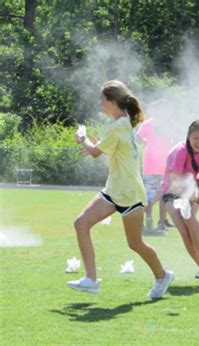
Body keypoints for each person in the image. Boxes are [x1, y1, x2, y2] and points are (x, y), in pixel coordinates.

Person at [67, 80, 173, 299]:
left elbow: (96, 152)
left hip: (130, 194)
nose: (100, 103)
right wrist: (94, 146)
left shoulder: (119, 126)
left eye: (102, 99)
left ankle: (162, 276)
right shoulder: (123, 124)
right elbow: (107, 150)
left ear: (113, 101)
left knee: (135, 243)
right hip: (115, 190)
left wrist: (83, 139)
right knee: (81, 224)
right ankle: (91, 280)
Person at [161, 120, 199, 288]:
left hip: (193, 189)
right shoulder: (179, 151)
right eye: (195, 138)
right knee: (185, 232)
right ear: (188, 137)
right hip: (172, 191)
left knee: (189, 218)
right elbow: (175, 183)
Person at [136, 100, 175, 234]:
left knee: (150, 194)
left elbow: (137, 138)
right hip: (165, 165)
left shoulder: (148, 123)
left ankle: (148, 217)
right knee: (165, 194)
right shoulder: (168, 124)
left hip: (150, 165)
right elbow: (174, 141)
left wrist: (146, 142)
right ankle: (161, 224)